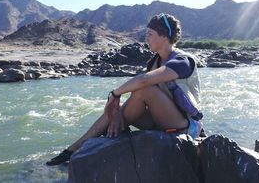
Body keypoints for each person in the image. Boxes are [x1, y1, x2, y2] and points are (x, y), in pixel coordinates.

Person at [46, 13, 203, 166]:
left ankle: (87, 145)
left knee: (143, 89)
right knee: (115, 111)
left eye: (150, 34)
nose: (146, 38)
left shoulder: (182, 61)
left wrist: (115, 94)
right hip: (161, 120)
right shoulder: (155, 61)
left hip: (185, 125)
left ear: (164, 36)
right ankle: (73, 149)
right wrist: (118, 114)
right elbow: (142, 94)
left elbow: (143, 81)